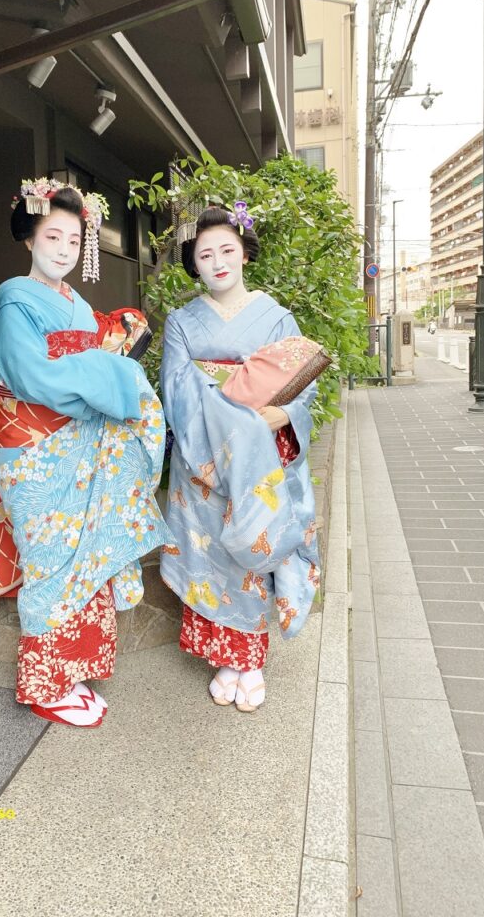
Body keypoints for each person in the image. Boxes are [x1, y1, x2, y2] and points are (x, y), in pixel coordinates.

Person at [0, 178, 171, 728]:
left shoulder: (75, 302)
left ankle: (74, 671)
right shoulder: (14, 301)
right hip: (34, 451)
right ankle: (43, 684)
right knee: (50, 562)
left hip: (81, 441)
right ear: (30, 238)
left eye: (74, 239)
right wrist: (120, 372)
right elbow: (31, 375)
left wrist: (109, 358)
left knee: (84, 558)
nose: (64, 248)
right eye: (53, 235)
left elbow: (83, 362)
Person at [160, 204, 321, 713]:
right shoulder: (182, 322)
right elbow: (179, 391)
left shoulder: (276, 317)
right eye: (205, 254)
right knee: (211, 555)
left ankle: (250, 659)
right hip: (204, 457)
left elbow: (300, 386)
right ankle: (224, 659)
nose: (218, 261)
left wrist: (282, 415)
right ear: (195, 264)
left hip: (261, 458)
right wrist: (222, 440)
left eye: (227, 250)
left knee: (251, 551)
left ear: (245, 254)